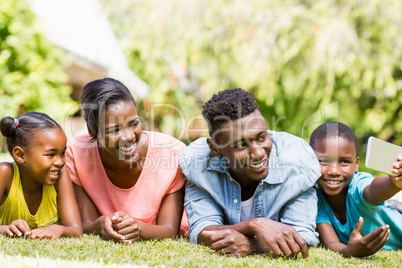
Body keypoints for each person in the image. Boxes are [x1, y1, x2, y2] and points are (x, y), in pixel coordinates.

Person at [180, 88, 321, 258]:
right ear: (215, 148)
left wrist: (252, 245)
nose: (258, 153)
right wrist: (254, 225)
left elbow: (302, 236)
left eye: (261, 137)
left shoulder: (298, 164)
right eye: (241, 145)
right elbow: (202, 231)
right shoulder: (198, 164)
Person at [66, 77, 186, 244]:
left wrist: (139, 228)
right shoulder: (76, 154)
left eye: (134, 123)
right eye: (114, 130)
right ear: (93, 130)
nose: (128, 136)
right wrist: (99, 225)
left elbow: (169, 230)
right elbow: (85, 223)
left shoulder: (172, 153)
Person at [309, 122, 402, 257]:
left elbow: (373, 191)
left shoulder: (357, 184)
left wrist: (393, 183)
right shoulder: (315, 199)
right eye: (324, 160)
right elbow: (330, 242)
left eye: (345, 162)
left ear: (356, 164)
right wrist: (348, 251)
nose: (334, 171)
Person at [0, 112, 82, 240]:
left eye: (62, 153)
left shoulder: (61, 176)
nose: (60, 162)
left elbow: (76, 229)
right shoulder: (4, 174)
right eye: (50, 154)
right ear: (20, 155)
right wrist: (6, 229)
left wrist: (59, 228)